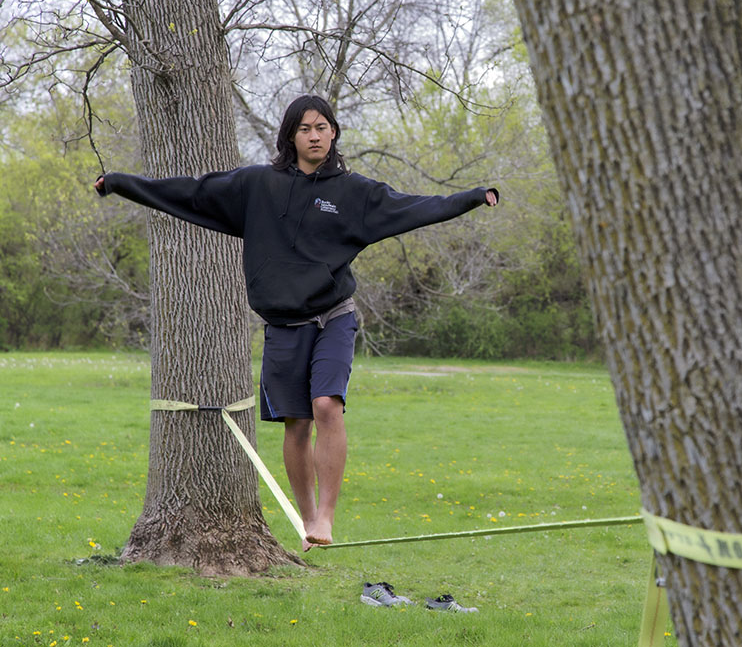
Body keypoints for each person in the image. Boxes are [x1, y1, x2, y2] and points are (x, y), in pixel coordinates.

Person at [95, 95, 499, 551]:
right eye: (305, 128)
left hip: (333, 316)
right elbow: (191, 191)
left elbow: (416, 206)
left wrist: (471, 198)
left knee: (328, 406)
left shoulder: (354, 193)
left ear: (333, 133)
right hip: (285, 324)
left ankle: (327, 514)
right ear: (291, 135)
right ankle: (307, 518)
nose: (315, 136)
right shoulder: (257, 186)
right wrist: (123, 184)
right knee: (297, 423)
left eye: (323, 127)